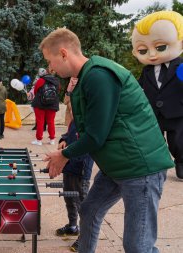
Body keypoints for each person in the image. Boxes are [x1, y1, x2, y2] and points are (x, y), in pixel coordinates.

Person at [40, 28, 174, 253]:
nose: (50, 68)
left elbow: (96, 135)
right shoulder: (85, 77)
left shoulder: (98, 75)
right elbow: (86, 124)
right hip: (117, 165)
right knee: (90, 211)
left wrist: (64, 155)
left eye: (50, 61)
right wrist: (67, 143)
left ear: (63, 53)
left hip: (140, 168)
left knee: (138, 246)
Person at [131, 11, 183, 179]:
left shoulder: (180, 67)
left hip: (178, 111)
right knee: (153, 141)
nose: (152, 54)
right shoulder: (147, 71)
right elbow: (139, 87)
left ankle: (181, 163)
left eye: (160, 47)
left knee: (179, 142)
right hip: (153, 113)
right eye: (143, 50)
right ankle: (155, 165)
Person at [55, 91, 93, 252]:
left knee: (82, 204)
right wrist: (63, 139)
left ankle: (84, 238)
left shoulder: (88, 119)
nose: (69, 107)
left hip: (80, 167)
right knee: (69, 197)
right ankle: (72, 226)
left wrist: (66, 155)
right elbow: (69, 134)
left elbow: (88, 143)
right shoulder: (75, 119)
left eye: (70, 103)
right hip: (68, 165)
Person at [31, 68, 59, 146]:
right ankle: (52, 139)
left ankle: (39, 140)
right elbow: (57, 91)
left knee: (40, 122)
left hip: (40, 104)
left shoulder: (40, 81)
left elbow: (35, 91)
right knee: (51, 122)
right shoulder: (56, 81)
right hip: (52, 104)